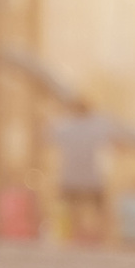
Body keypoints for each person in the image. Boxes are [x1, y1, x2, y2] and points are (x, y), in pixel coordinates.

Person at [55, 101, 111, 246]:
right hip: (91, 177)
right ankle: (98, 236)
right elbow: (113, 136)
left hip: (71, 177)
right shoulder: (98, 127)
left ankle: (74, 236)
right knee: (97, 209)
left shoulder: (65, 127)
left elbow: (47, 136)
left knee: (72, 208)